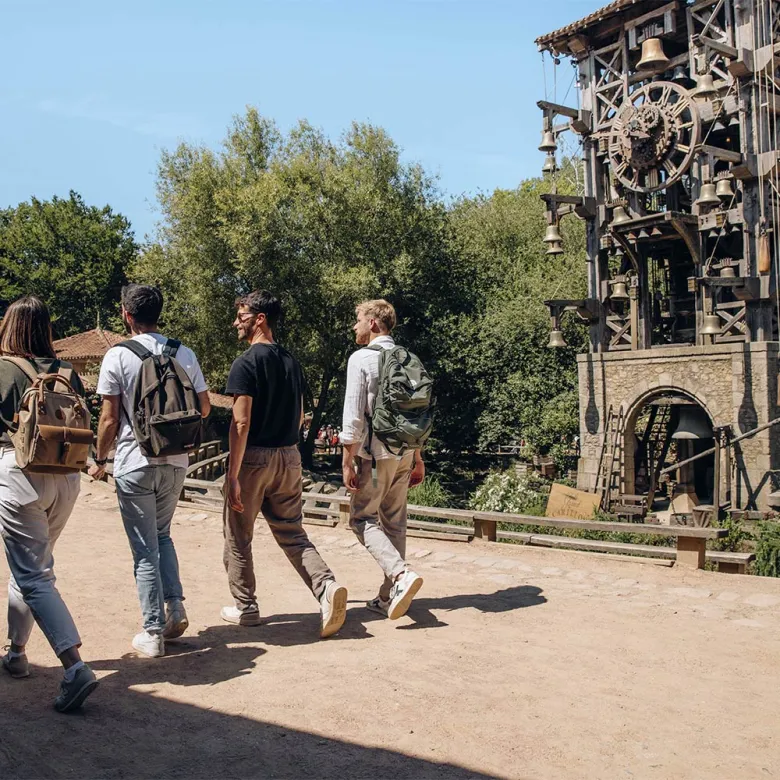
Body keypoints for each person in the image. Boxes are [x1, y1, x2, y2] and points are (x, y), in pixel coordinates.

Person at [89, 284, 211, 658]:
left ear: (127, 314)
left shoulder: (117, 356)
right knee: (162, 536)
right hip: (176, 460)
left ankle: (153, 630)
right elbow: (204, 408)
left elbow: (109, 418)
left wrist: (99, 458)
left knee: (144, 549)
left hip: (135, 461)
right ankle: (176, 610)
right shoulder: (184, 352)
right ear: (159, 312)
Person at [222, 290, 347, 638]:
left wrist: (233, 474)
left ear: (259, 318)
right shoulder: (293, 362)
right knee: (293, 533)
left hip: (254, 458)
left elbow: (241, 423)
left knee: (238, 535)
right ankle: (326, 587)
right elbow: (301, 414)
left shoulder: (245, 363)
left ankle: (246, 608)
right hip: (289, 457)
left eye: (241, 315)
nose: (236, 322)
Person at [0, 296, 98, 712]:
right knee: (32, 569)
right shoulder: (67, 372)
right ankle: (17, 653)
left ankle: (74, 667)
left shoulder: (3, 368)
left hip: (18, 472)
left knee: (36, 576)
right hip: (65, 479)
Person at [341, 299, 425, 620]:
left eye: (358, 320)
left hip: (376, 457)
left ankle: (401, 576)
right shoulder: (408, 358)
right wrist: (418, 457)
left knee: (361, 519)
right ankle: (388, 597)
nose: (355, 326)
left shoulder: (361, 359)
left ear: (374, 323)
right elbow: (416, 410)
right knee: (395, 521)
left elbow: (353, 416)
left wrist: (348, 460)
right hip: (405, 452)